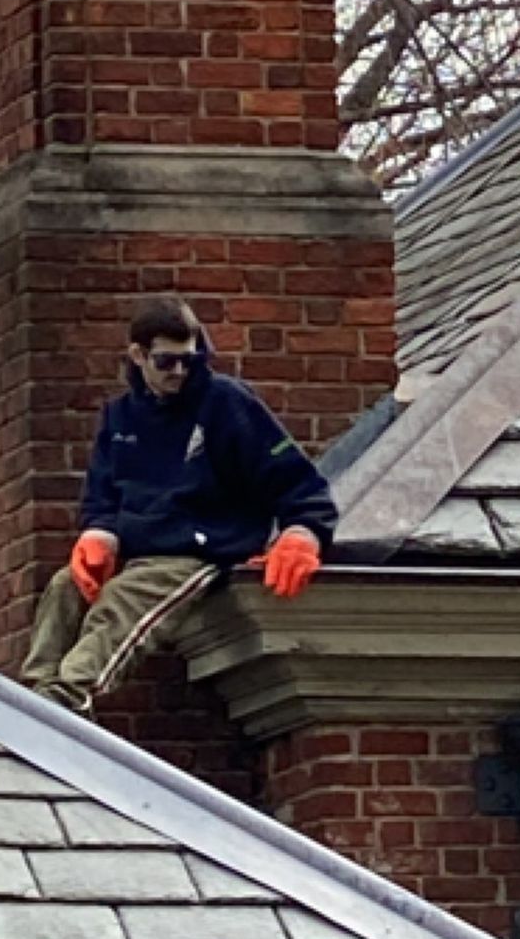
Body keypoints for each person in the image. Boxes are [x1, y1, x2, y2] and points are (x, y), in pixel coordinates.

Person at [21, 298, 336, 708]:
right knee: (64, 588)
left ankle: (70, 695)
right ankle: (33, 697)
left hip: (198, 547)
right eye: (166, 362)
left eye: (188, 359)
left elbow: (295, 477)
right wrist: (100, 535)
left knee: (123, 603)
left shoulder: (226, 402)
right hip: (138, 545)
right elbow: (102, 493)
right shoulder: (121, 417)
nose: (179, 372)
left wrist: (303, 532)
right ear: (138, 355)